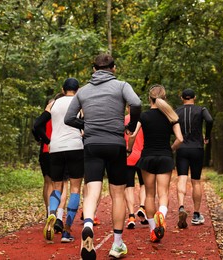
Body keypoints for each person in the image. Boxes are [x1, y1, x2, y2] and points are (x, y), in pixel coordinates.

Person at [65, 53, 141, 259]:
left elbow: (69, 118)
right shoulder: (122, 86)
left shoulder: (83, 91)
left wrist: (87, 125)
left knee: (92, 191)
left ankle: (88, 223)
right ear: (113, 68)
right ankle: (117, 244)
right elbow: (136, 104)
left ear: (93, 70)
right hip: (115, 144)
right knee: (118, 194)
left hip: (92, 145)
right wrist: (131, 125)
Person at [129, 84, 183, 243]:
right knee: (163, 193)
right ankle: (162, 214)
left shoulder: (144, 116)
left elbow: (132, 135)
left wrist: (129, 149)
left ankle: (153, 229)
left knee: (150, 194)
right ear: (164, 97)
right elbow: (180, 139)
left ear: (149, 98)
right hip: (165, 157)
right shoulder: (171, 116)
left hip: (147, 158)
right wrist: (171, 149)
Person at [35, 78, 84, 244]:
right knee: (75, 188)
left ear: (63, 89)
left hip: (55, 148)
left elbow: (37, 124)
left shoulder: (53, 103)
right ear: (77, 90)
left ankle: (52, 214)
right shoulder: (80, 102)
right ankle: (67, 230)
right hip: (76, 147)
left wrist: (48, 140)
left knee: (56, 186)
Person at [175, 88, 213, 228]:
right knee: (196, 181)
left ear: (182, 97)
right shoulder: (201, 109)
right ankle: (196, 215)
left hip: (181, 148)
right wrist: (207, 136)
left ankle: (181, 207)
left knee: (182, 178)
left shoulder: (176, 111)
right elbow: (209, 120)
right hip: (197, 148)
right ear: (194, 97)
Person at [124, 106, 147, 229]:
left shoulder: (123, 120)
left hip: (127, 155)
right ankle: (142, 207)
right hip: (142, 156)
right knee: (144, 184)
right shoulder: (144, 120)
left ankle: (131, 216)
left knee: (129, 186)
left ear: (128, 108)